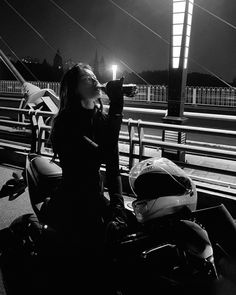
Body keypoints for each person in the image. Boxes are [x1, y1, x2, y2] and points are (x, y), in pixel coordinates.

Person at [39, 63, 127, 293]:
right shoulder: (66, 123)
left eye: (94, 76)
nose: (95, 80)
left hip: (94, 197)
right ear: (74, 89)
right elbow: (101, 152)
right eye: (87, 79)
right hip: (73, 201)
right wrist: (117, 105)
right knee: (84, 268)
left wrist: (118, 204)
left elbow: (113, 165)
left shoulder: (100, 118)